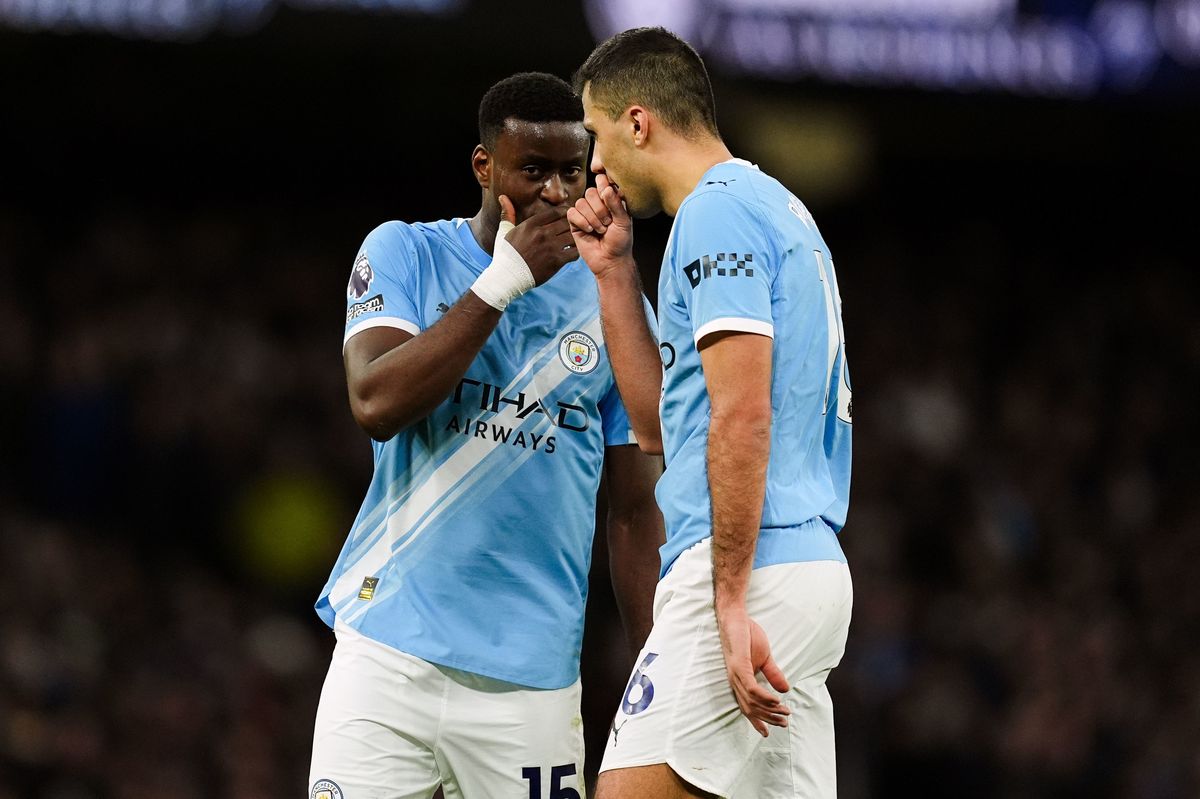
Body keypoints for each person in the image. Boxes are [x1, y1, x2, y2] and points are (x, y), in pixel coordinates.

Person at [309, 71, 664, 799]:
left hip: (530, 686)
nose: (557, 193)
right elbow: (374, 400)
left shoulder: (615, 303)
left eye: (572, 171)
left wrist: (653, 667)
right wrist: (501, 283)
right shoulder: (407, 253)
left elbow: (634, 509)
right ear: (485, 167)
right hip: (387, 657)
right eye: (533, 170)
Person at [567, 28, 855, 799]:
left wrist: (727, 597)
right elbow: (665, 426)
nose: (594, 164)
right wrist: (615, 272)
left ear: (638, 121)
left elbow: (741, 415)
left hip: (751, 568)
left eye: (595, 134)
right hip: (804, 567)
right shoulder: (774, 205)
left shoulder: (713, 216)